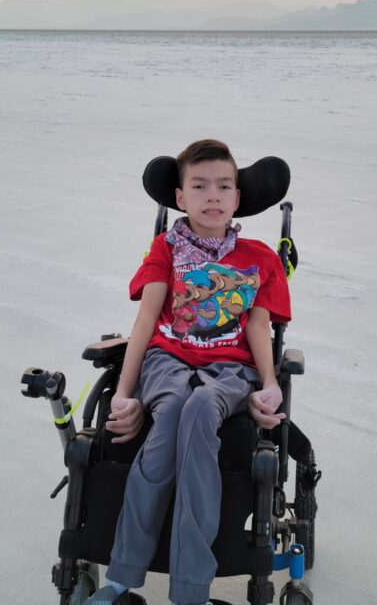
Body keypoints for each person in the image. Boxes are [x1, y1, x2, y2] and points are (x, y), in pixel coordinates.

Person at [87, 139, 291, 605]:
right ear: (179, 197)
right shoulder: (166, 248)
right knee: (176, 407)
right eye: (199, 186)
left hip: (232, 369)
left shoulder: (260, 259)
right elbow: (146, 319)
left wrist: (272, 386)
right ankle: (122, 576)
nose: (212, 195)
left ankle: (190, 590)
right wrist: (124, 393)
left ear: (238, 197)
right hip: (166, 360)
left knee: (199, 408)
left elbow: (259, 327)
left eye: (224, 186)